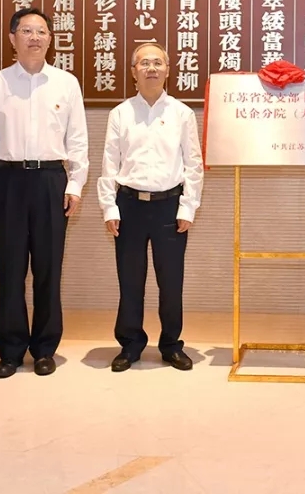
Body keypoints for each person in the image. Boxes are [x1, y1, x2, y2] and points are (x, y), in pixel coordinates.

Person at [0, 8, 89, 379]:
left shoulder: (66, 84)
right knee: (10, 270)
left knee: (48, 270)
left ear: (50, 39)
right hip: (7, 182)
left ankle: (44, 349)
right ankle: (10, 350)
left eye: (41, 31)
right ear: (12, 38)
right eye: (26, 31)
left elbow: (78, 140)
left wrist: (75, 184)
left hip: (51, 181)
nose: (34, 37)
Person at [98, 42, 204, 373]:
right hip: (129, 205)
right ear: (134, 72)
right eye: (144, 63)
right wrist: (109, 208)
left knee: (171, 282)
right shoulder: (120, 113)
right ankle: (130, 344)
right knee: (130, 281)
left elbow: (194, 165)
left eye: (158, 62)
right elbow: (109, 164)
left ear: (168, 70)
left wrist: (187, 208)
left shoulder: (182, 114)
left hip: (169, 207)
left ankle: (171, 345)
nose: (151, 68)